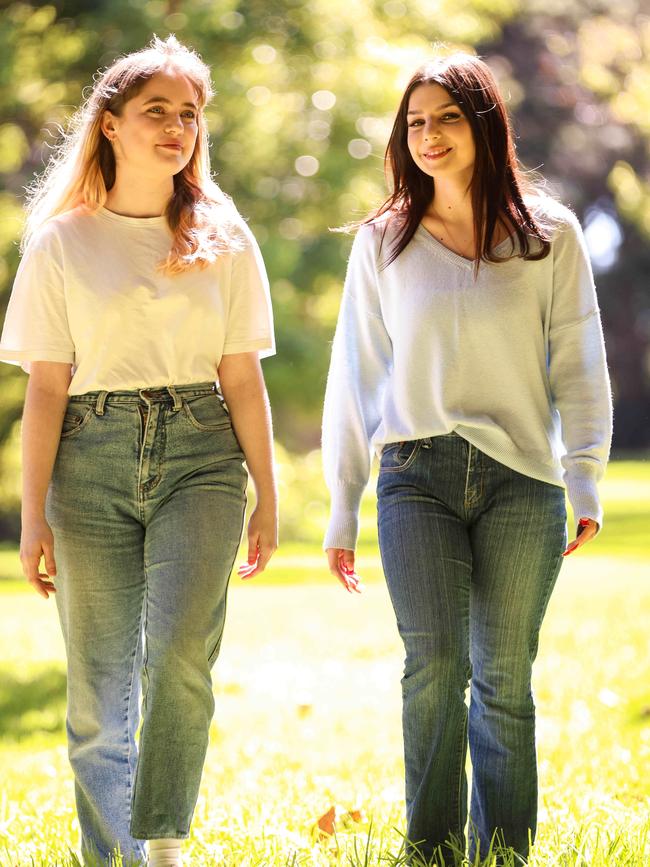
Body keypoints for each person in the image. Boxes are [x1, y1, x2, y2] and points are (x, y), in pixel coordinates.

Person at [322, 53, 612, 865]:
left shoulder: (549, 235)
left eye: (447, 116)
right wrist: (343, 503)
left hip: (525, 479)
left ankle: (505, 852)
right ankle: (434, 851)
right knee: (434, 665)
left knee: (504, 679)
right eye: (415, 122)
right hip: (416, 476)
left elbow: (578, 361)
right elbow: (357, 375)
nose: (429, 135)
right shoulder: (384, 241)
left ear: (484, 124)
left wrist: (584, 470)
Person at [0, 35, 277, 867]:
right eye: (156, 110)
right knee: (99, 677)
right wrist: (33, 514)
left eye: (189, 114)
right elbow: (45, 389)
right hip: (90, 456)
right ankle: (107, 853)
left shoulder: (223, 236)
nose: (177, 127)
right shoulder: (61, 244)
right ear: (109, 123)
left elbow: (241, 376)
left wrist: (268, 490)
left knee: (184, 653)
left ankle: (160, 836)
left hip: (202, 454)